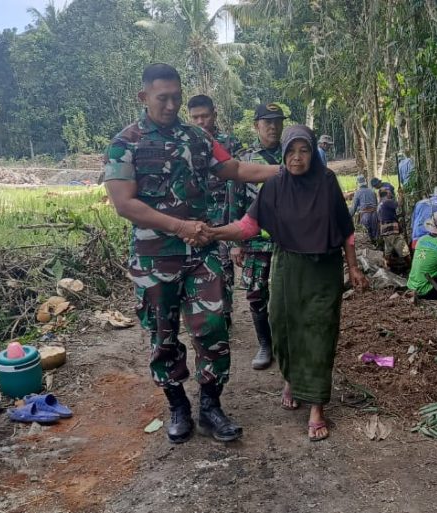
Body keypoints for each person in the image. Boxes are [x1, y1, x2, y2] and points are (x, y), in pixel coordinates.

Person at [103, 63, 279, 445]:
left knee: (214, 327)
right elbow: (123, 203)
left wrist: (287, 169)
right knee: (162, 335)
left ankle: (211, 407)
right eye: (162, 98)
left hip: (202, 252)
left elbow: (233, 168)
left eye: (176, 97)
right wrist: (179, 226)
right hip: (155, 258)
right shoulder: (125, 143)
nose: (170, 105)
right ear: (144, 97)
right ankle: (178, 406)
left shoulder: (197, 138)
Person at [210, 125, 369, 442]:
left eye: (304, 150)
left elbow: (346, 230)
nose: (297, 158)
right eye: (291, 151)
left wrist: (353, 268)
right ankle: (291, 378)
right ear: (283, 154)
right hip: (287, 265)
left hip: (323, 269)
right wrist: (214, 233)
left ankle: (316, 406)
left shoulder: (326, 183)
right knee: (282, 325)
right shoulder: (275, 184)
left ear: (313, 153)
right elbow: (248, 226)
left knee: (319, 331)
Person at [234, 103, 286, 371]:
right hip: (255, 240)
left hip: (288, 240)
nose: (273, 127)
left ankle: (286, 344)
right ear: (256, 126)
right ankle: (265, 344)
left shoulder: (294, 153)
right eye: (267, 122)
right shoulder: (245, 158)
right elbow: (237, 200)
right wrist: (236, 243)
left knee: (288, 293)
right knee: (256, 292)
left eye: (277, 121)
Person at [187, 94, 241, 329]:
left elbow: (239, 181)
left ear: (214, 115)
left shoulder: (229, 143)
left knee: (224, 264)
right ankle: (205, 310)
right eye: (195, 117)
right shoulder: (187, 143)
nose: (200, 121)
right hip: (197, 216)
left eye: (205, 116)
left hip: (225, 213)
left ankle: (224, 310)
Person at [377, 188, 409, 271]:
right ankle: (412, 267)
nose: (391, 194)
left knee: (388, 250)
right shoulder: (388, 201)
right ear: (387, 194)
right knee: (404, 249)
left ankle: (387, 267)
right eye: (389, 193)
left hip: (385, 231)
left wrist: (400, 215)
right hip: (392, 230)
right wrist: (401, 195)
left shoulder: (380, 204)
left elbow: (387, 216)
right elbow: (399, 203)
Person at [351, 175, 379, 241]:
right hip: (375, 215)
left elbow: (353, 209)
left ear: (358, 183)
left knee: (367, 237)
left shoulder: (357, 193)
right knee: (375, 236)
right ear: (365, 181)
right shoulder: (372, 191)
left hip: (365, 216)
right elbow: (376, 204)